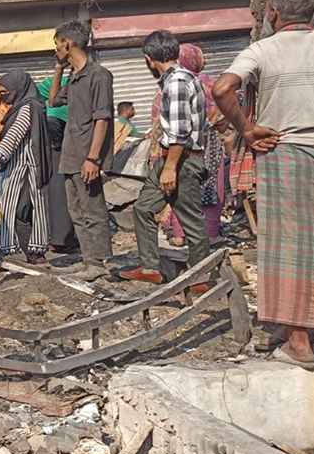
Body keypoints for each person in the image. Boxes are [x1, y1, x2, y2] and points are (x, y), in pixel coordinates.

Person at [214, 0, 314, 370]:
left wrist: (245, 128)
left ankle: (299, 341)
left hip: (281, 154)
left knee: (288, 251)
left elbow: (223, 89)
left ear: (274, 13)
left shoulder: (262, 49)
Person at [127, 31, 210, 285]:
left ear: (149, 59)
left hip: (182, 161)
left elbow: (180, 132)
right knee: (143, 208)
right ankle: (151, 267)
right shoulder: (176, 80)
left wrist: (170, 168)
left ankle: (200, 279)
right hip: (169, 158)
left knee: (191, 223)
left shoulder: (177, 83)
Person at [49, 20, 115, 270]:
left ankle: (99, 262)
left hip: (87, 154)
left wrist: (93, 158)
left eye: (57, 45)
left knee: (92, 210)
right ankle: (90, 260)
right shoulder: (75, 77)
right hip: (71, 154)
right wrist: (58, 67)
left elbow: (102, 118)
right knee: (76, 211)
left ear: (68, 43)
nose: (56, 49)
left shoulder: (98, 75)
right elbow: (54, 100)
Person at [0, 72, 53, 264]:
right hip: (19, 167)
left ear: (18, 89)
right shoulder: (21, 107)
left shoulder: (28, 108)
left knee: (22, 210)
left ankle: (35, 253)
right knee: (21, 211)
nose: (3, 96)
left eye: (6, 92)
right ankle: (32, 254)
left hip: (27, 169)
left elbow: (13, 137)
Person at [155, 44, 227, 245]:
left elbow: (159, 117)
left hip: (178, 148)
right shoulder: (211, 85)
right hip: (208, 143)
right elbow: (225, 112)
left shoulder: (171, 84)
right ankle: (210, 233)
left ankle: (179, 234)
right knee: (211, 186)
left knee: (183, 190)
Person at [36, 75, 79, 253]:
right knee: (63, 193)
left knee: (51, 194)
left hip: (50, 156)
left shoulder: (44, 108)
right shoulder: (67, 109)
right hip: (64, 153)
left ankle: (53, 237)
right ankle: (63, 239)